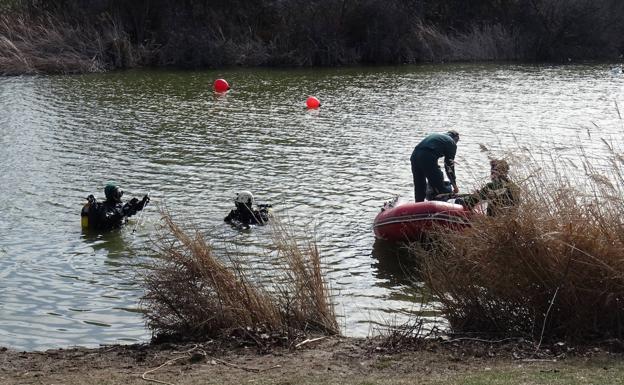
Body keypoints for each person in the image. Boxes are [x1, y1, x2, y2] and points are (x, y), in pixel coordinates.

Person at [410, 130, 460, 202]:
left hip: (414, 156)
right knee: (439, 184)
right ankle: (444, 206)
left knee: (419, 185)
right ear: (456, 139)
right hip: (426, 156)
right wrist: (454, 185)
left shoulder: (439, 137)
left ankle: (418, 204)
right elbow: (449, 167)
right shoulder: (451, 143)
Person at [81, 184, 150, 230]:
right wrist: (126, 208)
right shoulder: (104, 208)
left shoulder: (118, 206)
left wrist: (143, 203)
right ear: (113, 196)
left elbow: (131, 211)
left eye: (120, 192)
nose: (120, 195)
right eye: (118, 193)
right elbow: (110, 219)